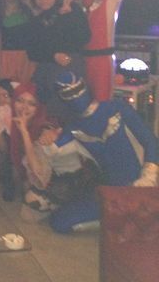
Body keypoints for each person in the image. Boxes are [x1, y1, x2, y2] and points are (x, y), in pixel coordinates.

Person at [50, 72, 158, 233]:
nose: (75, 96)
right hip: (111, 193)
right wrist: (44, 135)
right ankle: (117, 220)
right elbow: (51, 150)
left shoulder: (117, 108)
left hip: (144, 183)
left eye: (77, 89)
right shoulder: (73, 128)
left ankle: (123, 220)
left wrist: (149, 176)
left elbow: (151, 141)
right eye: (68, 93)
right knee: (60, 221)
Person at [25, 0, 91, 119]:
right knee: (48, 112)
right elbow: (32, 51)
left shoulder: (72, 10)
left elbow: (84, 37)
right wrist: (53, 56)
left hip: (71, 66)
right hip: (47, 70)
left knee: (72, 109)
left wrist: (68, 16)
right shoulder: (37, 21)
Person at [0, 0, 36, 83]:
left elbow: (37, 30)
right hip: (6, 58)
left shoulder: (27, 11)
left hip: (26, 58)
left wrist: (28, 3)